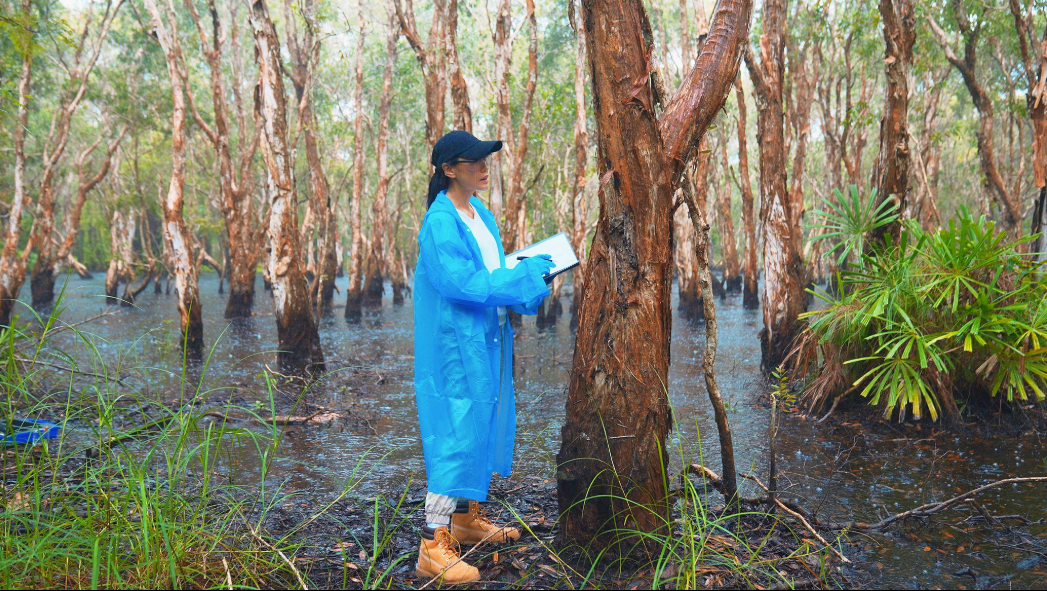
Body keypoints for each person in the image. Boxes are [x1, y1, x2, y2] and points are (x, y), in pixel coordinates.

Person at [413, 130, 555, 583]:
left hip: (485, 338)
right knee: (454, 430)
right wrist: (522, 279)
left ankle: (466, 518)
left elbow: (493, 274)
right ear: (449, 169)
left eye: (485, 158)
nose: (483, 165)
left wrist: (526, 275)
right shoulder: (440, 222)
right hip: (456, 346)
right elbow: (463, 284)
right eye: (472, 160)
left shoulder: (480, 214)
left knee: (481, 425)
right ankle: (432, 544)